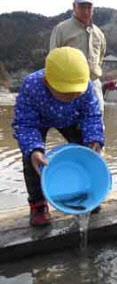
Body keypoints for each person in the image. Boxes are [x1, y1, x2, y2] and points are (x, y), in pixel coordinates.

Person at [12, 47, 104, 226]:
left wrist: (94, 139)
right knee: (33, 159)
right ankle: (38, 204)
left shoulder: (86, 87)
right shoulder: (31, 86)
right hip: (39, 121)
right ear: (47, 82)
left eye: (77, 92)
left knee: (87, 151)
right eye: (67, 92)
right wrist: (34, 150)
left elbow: (91, 115)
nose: (73, 95)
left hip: (71, 119)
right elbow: (25, 124)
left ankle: (86, 193)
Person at [50, 0, 106, 116]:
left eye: (89, 7)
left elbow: (100, 58)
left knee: (97, 123)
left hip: (93, 84)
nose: (86, 11)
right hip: (69, 86)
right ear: (74, 6)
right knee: (71, 125)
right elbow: (53, 59)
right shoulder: (61, 29)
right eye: (82, 6)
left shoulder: (99, 33)